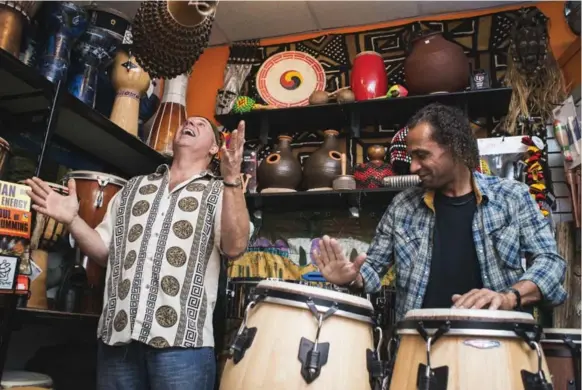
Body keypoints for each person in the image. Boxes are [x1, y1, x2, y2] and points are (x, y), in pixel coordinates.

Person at [25, 117, 252, 390]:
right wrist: (72, 220)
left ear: (214, 148)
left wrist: (231, 180)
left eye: (201, 124)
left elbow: (235, 246)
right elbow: (105, 252)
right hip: (117, 341)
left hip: (182, 347)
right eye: (187, 120)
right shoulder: (133, 188)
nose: (189, 122)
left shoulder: (220, 192)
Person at [313, 103, 567, 322]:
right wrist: (352, 278)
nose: (413, 167)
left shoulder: (513, 197)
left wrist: (509, 297)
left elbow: (550, 262)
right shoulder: (402, 207)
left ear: (456, 148)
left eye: (422, 155)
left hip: (499, 346)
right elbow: (372, 270)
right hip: (419, 348)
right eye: (412, 156)